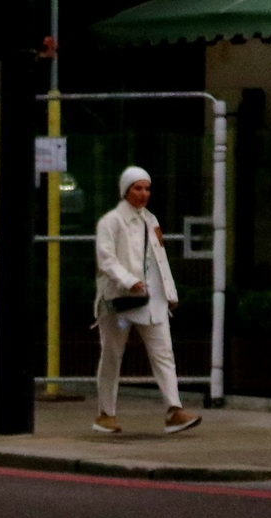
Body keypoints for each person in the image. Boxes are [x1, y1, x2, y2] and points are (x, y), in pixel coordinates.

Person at [92, 166, 199, 436]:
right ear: (126, 190)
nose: (143, 194)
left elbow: (159, 260)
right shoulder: (111, 221)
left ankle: (174, 410)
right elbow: (106, 260)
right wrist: (129, 281)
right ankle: (106, 414)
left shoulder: (151, 220)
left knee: (164, 353)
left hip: (152, 300)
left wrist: (170, 293)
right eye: (137, 188)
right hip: (119, 300)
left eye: (147, 188)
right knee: (112, 356)